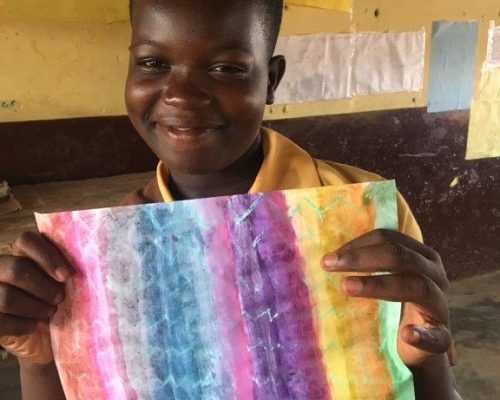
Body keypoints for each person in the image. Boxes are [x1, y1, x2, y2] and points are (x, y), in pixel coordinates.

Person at [0, 0, 460, 399]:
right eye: (153, 63)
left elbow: (424, 374)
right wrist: (37, 358)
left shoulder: (362, 219)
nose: (181, 94)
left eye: (226, 68)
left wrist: (429, 363)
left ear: (272, 80)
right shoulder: (101, 254)